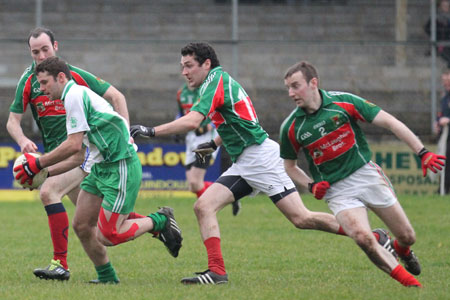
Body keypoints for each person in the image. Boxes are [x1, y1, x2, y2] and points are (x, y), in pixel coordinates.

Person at [130, 42, 390, 285]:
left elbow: (192, 121)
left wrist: (150, 131)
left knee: (301, 218)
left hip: (261, 160)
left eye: (189, 66)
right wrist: (214, 144)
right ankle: (217, 272)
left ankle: (372, 236)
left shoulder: (215, 80)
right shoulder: (218, 81)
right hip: (246, 161)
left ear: (206, 64)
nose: (184, 72)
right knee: (203, 206)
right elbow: (238, 119)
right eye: (182, 67)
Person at [14, 56, 183, 284]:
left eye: (44, 83)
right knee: (82, 224)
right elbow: (77, 155)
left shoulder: (74, 96)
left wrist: (39, 164)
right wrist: (44, 174)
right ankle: (107, 278)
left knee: (108, 235)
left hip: (121, 165)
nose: (41, 89)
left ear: (61, 77)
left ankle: (159, 221)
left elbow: (72, 144)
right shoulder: (72, 98)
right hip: (101, 167)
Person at [280, 61, 446, 287]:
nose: (291, 93)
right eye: (288, 88)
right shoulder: (291, 126)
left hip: (366, 176)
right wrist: (310, 185)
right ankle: (412, 286)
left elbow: (391, 123)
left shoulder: (344, 102)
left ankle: (401, 249)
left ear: (313, 83)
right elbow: (289, 166)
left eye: (295, 86)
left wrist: (423, 152)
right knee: (362, 237)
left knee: (408, 236)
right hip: (337, 191)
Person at [6, 27, 130, 281]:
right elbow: (12, 121)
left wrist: (124, 136)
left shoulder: (69, 76)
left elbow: (117, 97)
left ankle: (59, 264)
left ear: (56, 47)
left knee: (48, 191)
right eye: (35, 52)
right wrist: (22, 140)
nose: (40, 56)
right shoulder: (28, 80)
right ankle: (158, 224)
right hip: (57, 155)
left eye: (45, 50)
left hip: (79, 152)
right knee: (90, 216)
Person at [176, 81, 241, 215]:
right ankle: (231, 195)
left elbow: (220, 112)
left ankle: (207, 209)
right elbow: (180, 114)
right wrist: (177, 128)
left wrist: (208, 127)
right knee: (193, 186)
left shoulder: (206, 92)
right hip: (191, 138)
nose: (187, 74)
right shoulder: (181, 93)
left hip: (207, 138)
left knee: (195, 181)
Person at [435, 69, 450, 193]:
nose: (445, 83)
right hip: (445, 135)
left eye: (447, 80)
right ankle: (443, 188)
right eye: (444, 80)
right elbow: (441, 113)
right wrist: (438, 121)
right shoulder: (445, 97)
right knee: (444, 160)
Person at [424, 0, 450, 67]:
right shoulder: (435, 18)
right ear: (440, 7)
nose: (446, 7)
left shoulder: (448, 18)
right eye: (444, 6)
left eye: (447, 6)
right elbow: (427, 28)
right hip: (440, 44)